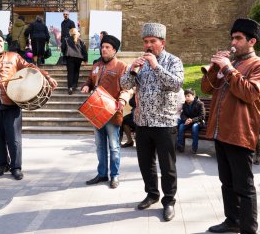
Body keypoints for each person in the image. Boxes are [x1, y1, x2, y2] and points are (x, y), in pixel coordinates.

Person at [201, 18, 260, 234]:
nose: (233, 42)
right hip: (222, 133)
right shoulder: (232, 65)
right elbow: (205, 88)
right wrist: (214, 68)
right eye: (232, 37)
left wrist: (229, 69)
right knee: (227, 183)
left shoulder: (259, 65)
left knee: (244, 187)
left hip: (240, 134)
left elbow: (249, 93)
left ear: (252, 41)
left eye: (238, 38)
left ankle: (248, 229)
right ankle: (232, 220)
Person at [0, 28, 58, 180]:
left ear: (3, 42)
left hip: (12, 102)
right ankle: (3, 164)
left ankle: (16, 167)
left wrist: (47, 77)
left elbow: (31, 68)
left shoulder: (14, 57)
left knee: (14, 138)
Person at [120, 22, 184, 221]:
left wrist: (156, 66)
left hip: (165, 123)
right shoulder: (140, 64)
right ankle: (152, 194)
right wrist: (132, 69)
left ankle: (169, 201)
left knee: (167, 166)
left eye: (152, 42)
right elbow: (124, 85)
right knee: (145, 164)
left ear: (162, 43)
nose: (148, 45)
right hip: (143, 122)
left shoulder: (173, 61)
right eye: (146, 42)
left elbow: (175, 84)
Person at [81, 34, 130, 189]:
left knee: (114, 146)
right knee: (99, 146)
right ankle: (102, 174)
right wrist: (87, 85)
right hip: (96, 111)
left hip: (112, 112)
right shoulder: (96, 65)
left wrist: (122, 99)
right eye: (102, 47)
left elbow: (127, 87)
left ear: (114, 50)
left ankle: (114, 175)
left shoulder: (121, 66)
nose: (104, 49)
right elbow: (90, 79)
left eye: (107, 47)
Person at [176, 88, 205, 154]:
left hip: (199, 121)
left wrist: (192, 120)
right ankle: (180, 146)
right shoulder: (185, 104)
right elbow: (182, 115)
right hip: (188, 121)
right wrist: (186, 119)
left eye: (188, 96)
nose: (187, 98)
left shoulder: (200, 104)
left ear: (193, 96)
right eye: (185, 96)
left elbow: (202, 116)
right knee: (181, 126)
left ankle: (194, 148)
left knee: (194, 127)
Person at [61, 28, 88, 95]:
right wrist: (85, 60)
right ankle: (74, 85)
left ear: (70, 33)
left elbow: (63, 48)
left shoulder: (66, 39)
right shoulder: (81, 40)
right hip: (78, 58)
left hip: (70, 57)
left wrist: (65, 54)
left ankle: (70, 87)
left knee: (70, 73)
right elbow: (84, 51)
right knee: (76, 71)